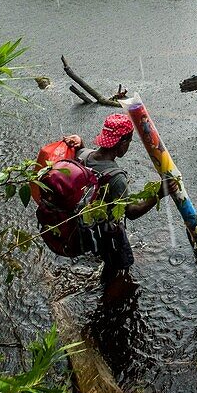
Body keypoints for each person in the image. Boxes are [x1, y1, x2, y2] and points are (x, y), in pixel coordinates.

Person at [70, 113, 176, 286]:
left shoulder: (83, 154)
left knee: (106, 257)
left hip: (88, 224)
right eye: (129, 142)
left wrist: (80, 144)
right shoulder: (116, 177)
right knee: (120, 267)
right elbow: (131, 212)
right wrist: (159, 193)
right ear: (122, 143)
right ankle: (110, 294)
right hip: (108, 232)